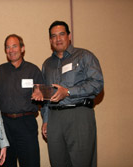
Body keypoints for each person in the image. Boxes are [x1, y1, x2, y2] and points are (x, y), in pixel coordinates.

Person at [32, 20, 104, 167]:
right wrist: (45, 120)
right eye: (54, 36)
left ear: (69, 36)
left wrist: (68, 92)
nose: (58, 39)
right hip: (54, 118)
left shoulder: (84, 56)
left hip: (79, 114)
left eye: (62, 34)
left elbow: (97, 84)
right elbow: (46, 96)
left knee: (81, 161)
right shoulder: (47, 64)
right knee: (58, 161)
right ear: (50, 40)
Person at [0, 34, 43, 167]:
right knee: (6, 163)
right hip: (5, 125)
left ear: (22, 48)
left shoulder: (33, 70)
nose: (11, 50)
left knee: (30, 163)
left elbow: (44, 99)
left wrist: (41, 95)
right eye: (7, 47)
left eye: (14, 46)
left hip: (26, 124)